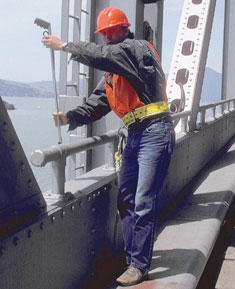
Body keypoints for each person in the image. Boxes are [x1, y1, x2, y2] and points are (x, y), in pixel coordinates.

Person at [42, 7, 175, 287]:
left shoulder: (136, 50)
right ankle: (132, 258)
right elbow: (99, 103)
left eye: (110, 30)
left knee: (142, 200)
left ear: (125, 28)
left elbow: (105, 56)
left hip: (155, 131)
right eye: (103, 33)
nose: (106, 36)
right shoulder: (116, 72)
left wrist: (64, 46)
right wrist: (70, 117)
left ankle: (139, 264)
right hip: (136, 133)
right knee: (126, 199)